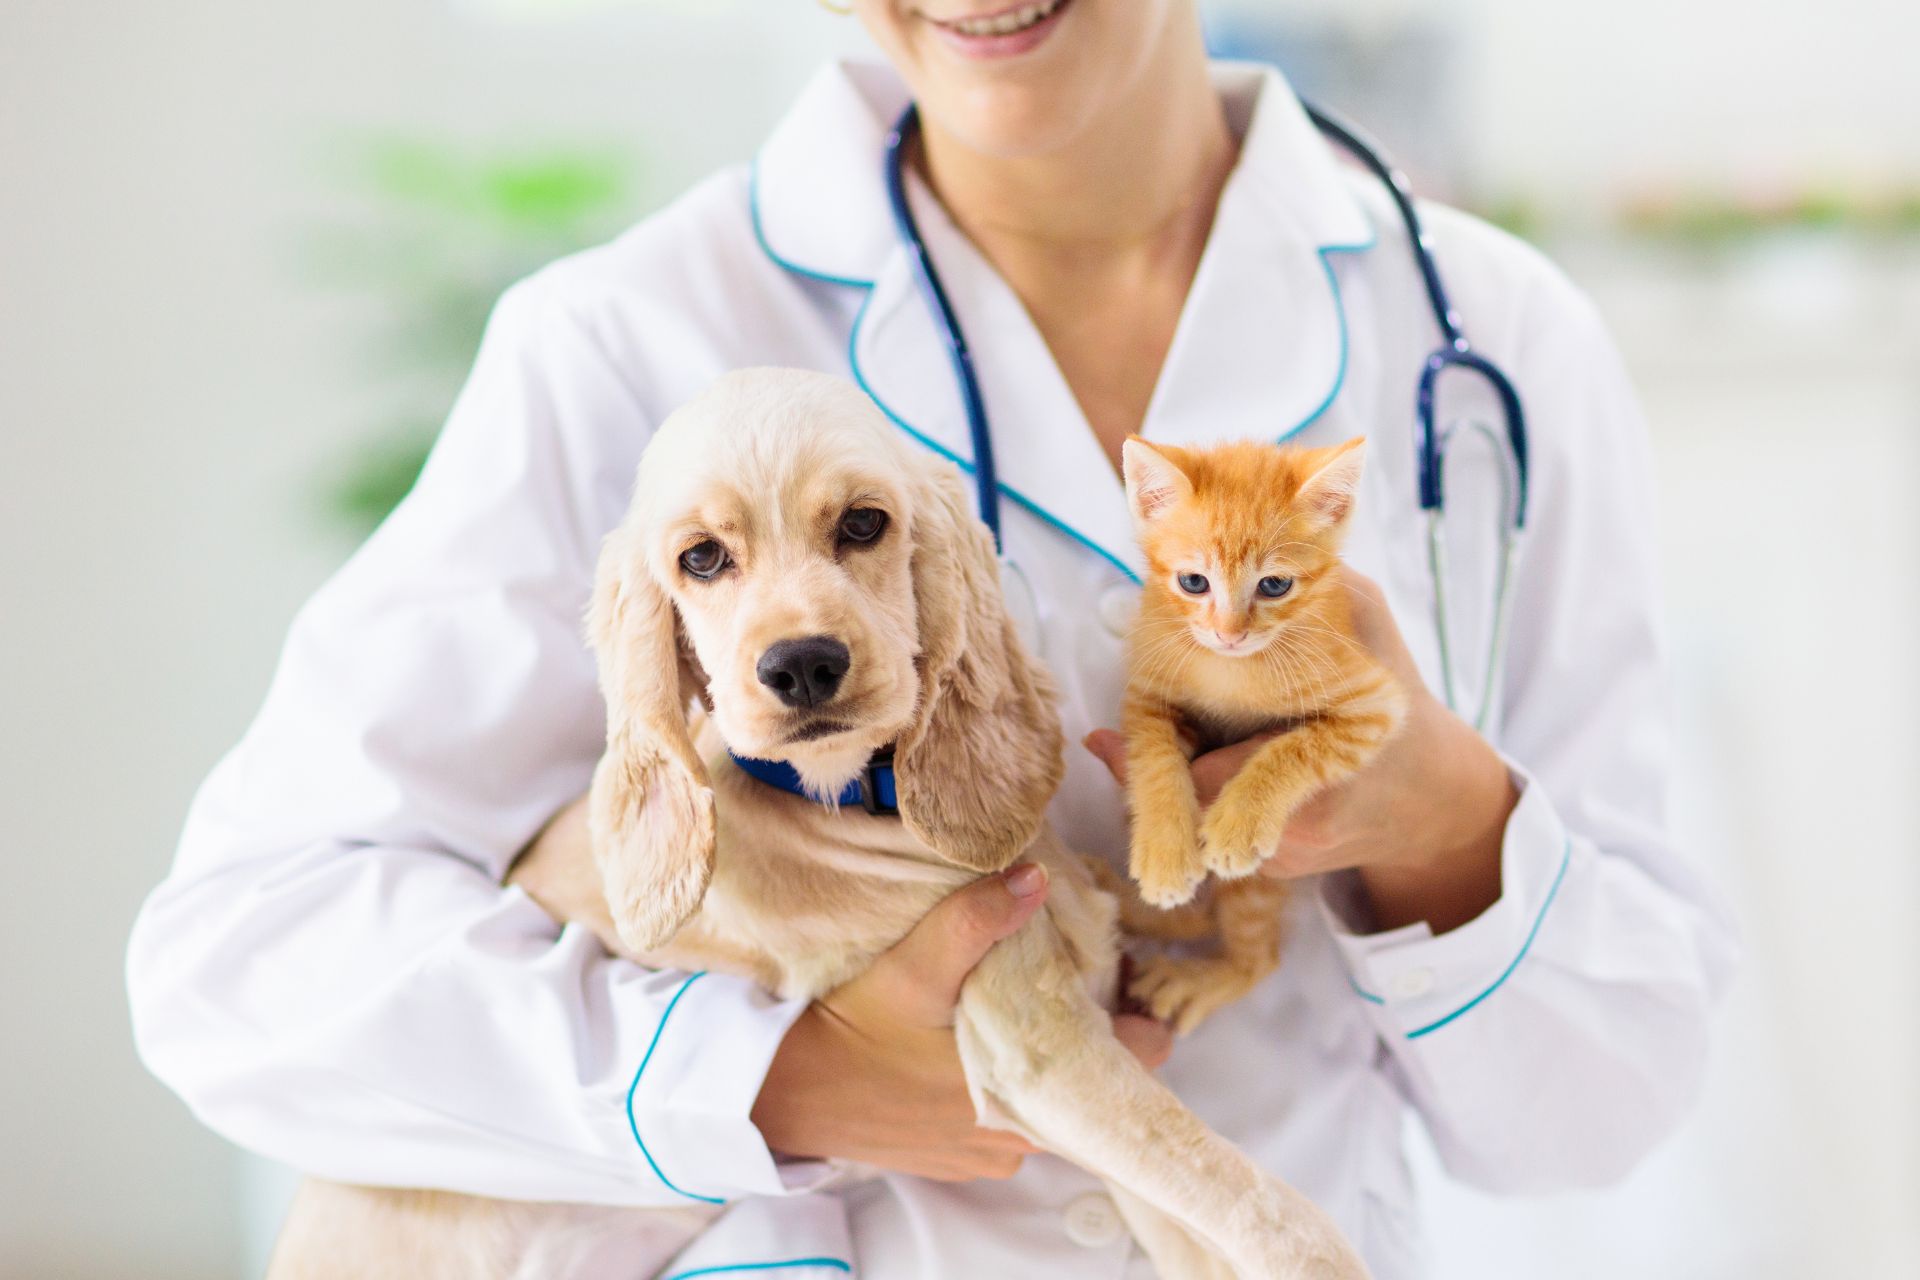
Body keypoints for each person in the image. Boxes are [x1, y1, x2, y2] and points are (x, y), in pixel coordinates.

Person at [127, 2, 1737, 1276]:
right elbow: (243, 965)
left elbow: (1605, 1109)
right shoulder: (623, 348)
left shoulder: (1493, 345)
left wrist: (1446, 819)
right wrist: (763, 1083)